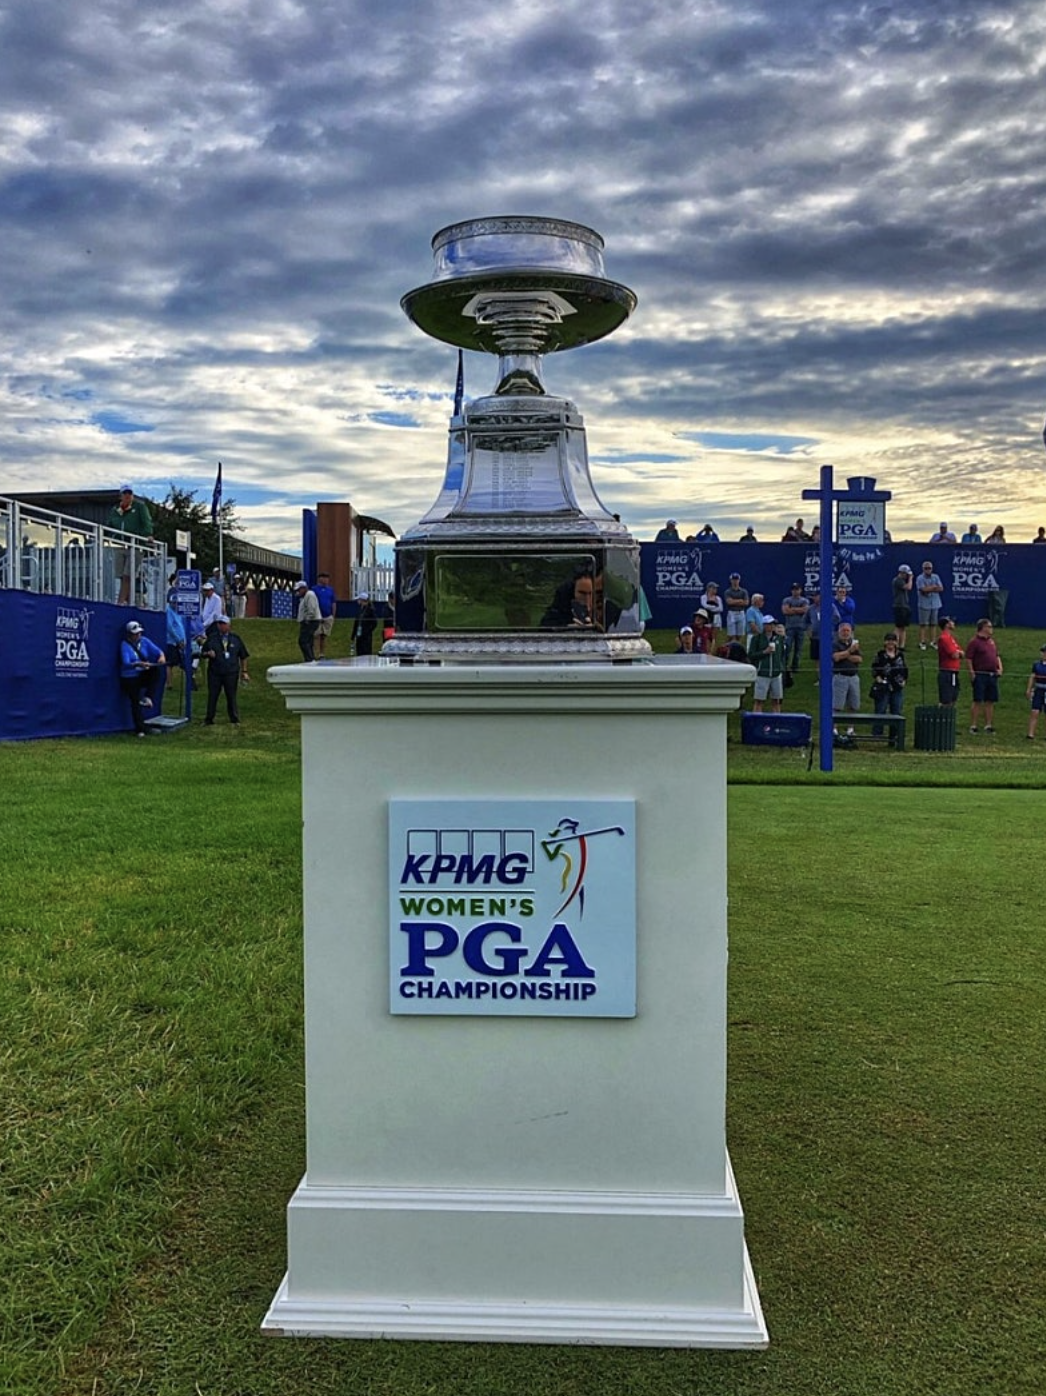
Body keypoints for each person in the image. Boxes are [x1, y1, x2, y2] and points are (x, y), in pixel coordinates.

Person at [106, 485, 153, 605]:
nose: (128, 496)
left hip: (135, 546)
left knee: (128, 575)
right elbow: (109, 525)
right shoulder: (115, 510)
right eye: (125, 493)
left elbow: (147, 522)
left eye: (130, 493)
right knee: (121, 576)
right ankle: (129, 600)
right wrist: (106, 536)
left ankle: (120, 602)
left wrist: (147, 535)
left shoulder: (140, 507)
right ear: (120, 496)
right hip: (119, 545)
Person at [118, 620, 166, 736]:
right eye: (135, 633)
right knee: (135, 701)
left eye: (139, 633)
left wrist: (161, 657)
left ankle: (148, 697)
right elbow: (125, 662)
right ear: (129, 634)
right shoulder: (124, 645)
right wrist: (138, 664)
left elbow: (158, 651)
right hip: (129, 677)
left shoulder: (144, 641)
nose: (138, 635)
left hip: (141, 674)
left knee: (155, 670)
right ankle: (140, 728)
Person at [201, 615, 250, 725]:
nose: (221, 626)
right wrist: (208, 653)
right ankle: (209, 718)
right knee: (213, 695)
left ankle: (234, 718)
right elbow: (203, 653)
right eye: (220, 624)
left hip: (231, 672)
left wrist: (244, 672)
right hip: (215, 672)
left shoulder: (235, 639)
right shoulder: (212, 638)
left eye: (223, 624)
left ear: (229, 625)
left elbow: (243, 656)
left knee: (231, 695)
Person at [966, 618, 1002, 734]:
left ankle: (988, 725)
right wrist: (972, 672)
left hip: (992, 675)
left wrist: (1000, 668)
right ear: (983, 628)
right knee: (978, 700)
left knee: (990, 700)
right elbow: (969, 658)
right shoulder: (974, 642)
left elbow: (996, 656)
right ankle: (973, 725)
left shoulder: (991, 642)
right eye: (989, 627)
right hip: (980, 674)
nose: (991, 629)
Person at [871, 633, 908, 742]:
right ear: (885, 642)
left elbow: (905, 669)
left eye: (893, 640)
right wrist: (879, 679)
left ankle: (895, 735)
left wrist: (904, 680)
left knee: (896, 710)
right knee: (880, 710)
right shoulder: (880, 655)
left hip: (897, 687)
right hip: (883, 687)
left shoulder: (900, 655)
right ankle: (877, 734)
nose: (891, 643)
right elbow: (874, 669)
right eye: (888, 640)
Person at [749, 616, 786, 713]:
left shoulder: (779, 638)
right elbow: (751, 655)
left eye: (773, 624)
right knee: (759, 700)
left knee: (776, 700)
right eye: (770, 624)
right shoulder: (757, 639)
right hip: (762, 673)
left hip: (776, 673)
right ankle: (756, 719)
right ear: (765, 625)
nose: (772, 626)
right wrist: (764, 652)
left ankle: (777, 720)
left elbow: (783, 653)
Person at [831, 623, 862, 717]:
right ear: (838, 632)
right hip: (840, 676)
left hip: (853, 677)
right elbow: (835, 658)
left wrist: (844, 656)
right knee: (837, 705)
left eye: (847, 630)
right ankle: (834, 728)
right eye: (843, 630)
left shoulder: (854, 644)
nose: (845, 633)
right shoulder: (835, 644)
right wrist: (850, 651)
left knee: (854, 705)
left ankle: (851, 729)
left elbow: (859, 659)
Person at [780, 583, 809, 671]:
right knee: (787, 647)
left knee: (798, 648)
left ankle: (795, 667)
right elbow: (785, 611)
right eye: (794, 589)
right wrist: (799, 610)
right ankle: (784, 666)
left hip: (801, 627)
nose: (795, 591)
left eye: (797, 589)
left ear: (800, 590)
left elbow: (805, 610)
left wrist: (792, 609)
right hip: (789, 627)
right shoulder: (787, 600)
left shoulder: (804, 600)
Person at [936, 616, 964, 706]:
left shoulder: (951, 638)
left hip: (953, 671)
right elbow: (954, 654)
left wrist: (959, 653)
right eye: (951, 622)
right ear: (947, 625)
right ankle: (944, 717)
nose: (953, 623)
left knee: (953, 696)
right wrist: (958, 653)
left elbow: (962, 653)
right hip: (947, 671)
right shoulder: (944, 638)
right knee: (947, 699)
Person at [915, 561, 943, 649]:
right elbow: (923, 589)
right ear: (923, 569)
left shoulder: (936, 576)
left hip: (935, 603)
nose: (928, 570)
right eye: (926, 568)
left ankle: (933, 641)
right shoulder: (920, 578)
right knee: (923, 624)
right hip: (924, 604)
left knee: (933, 624)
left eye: (929, 568)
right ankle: (922, 642)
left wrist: (929, 589)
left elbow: (941, 588)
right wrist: (934, 587)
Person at [295, 579, 321, 661]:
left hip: (311, 621)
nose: (298, 592)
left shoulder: (310, 595)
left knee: (303, 641)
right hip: (310, 620)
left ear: (303, 588)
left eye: (299, 590)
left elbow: (311, 608)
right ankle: (310, 658)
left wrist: (307, 619)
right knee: (308, 641)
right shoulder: (305, 596)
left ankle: (309, 658)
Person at [313, 571, 337, 658]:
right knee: (316, 635)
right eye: (324, 578)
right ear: (320, 579)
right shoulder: (314, 589)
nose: (326, 580)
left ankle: (322, 654)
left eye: (327, 578)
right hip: (318, 616)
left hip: (328, 616)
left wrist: (333, 615)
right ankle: (314, 652)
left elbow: (333, 602)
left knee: (324, 635)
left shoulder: (330, 590)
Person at [1025, 645, 1046, 738]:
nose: (1044, 654)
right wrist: (1029, 689)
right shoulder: (1037, 664)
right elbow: (1032, 677)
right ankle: (1030, 734)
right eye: (1043, 652)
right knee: (1035, 711)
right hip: (1038, 690)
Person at [891, 564, 914, 649]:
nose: (907, 576)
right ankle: (894, 643)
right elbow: (908, 587)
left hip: (904, 605)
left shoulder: (902, 580)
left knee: (903, 627)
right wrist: (911, 578)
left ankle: (902, 646)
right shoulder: (898, 580)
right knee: (898, 627)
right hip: (899, 605)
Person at [723, 573, 749, 644]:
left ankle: (737, 649)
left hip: (741, 612)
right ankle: (730, 649)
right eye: (733, 580)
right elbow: (729, 602)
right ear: (731, 580)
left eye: (736, 579)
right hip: (732, 613)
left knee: (740, 635)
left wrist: (734, 601)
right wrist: (740, 600)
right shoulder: (728, 592)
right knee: (731, 635)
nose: (735, 581)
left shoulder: (744, 591)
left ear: (739, 580)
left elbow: (746, 603)